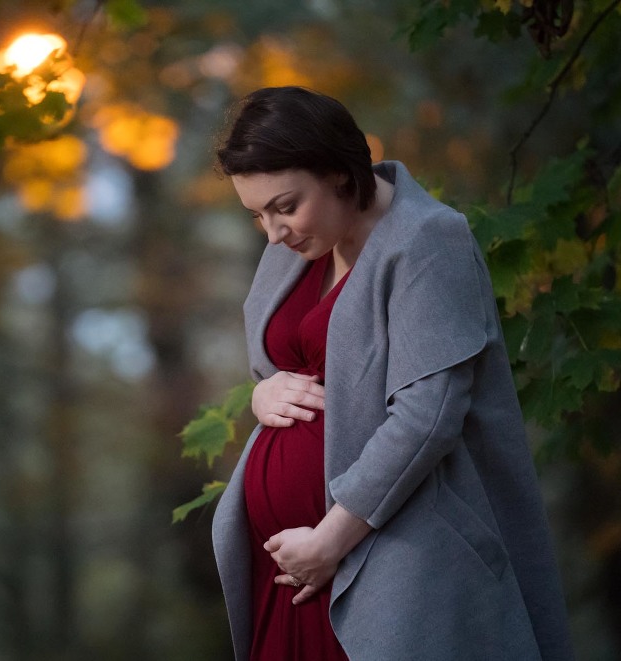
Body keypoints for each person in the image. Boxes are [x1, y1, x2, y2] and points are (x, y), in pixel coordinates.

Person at [210, 86, 574, 661]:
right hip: (289, 569)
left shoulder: (428, 239)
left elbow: (428, 417)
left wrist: (328, 541)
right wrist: (264, 392)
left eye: (284, 205)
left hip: (385, 563)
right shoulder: (299, 243)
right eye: (257, 215)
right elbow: (288, 365)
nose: (273, 232)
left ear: (338, 172)